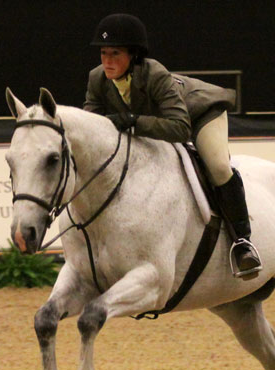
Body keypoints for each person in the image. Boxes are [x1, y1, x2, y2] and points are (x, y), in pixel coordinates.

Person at [83, 13, 262, 279]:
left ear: (133, 55)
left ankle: (242, 242)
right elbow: (91, 127)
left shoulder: (155, 74)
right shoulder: (97, 79)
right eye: (104, 53)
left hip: (200, 114)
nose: (107, 61)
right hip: (160, 123)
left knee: (218, 166)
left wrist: (133, 121)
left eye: (115, 54)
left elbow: (180, 128)